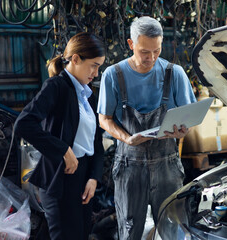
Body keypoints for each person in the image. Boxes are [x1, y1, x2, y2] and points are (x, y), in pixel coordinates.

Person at [97, 16, 196, 239]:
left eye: (157, 51)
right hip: (129, 166)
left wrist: (184, 130)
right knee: (130, 230)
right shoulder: (113, 75)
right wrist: (126, 138)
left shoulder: (175, 73)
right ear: (131, 44)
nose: (151, 58)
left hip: (168, 166)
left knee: (174, 230)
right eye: (144, 52)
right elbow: (104, 119)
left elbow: (189, 117)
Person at [15, 32, 106, 240]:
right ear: (75, 59)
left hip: (84, 180)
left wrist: (94, 177)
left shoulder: (87, 94)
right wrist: (63, 150)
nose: (96, 72)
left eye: (99, 66)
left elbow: (96, 141)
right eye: (94, 65)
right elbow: (24, 123)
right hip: (60, 178)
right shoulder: (56, 87)